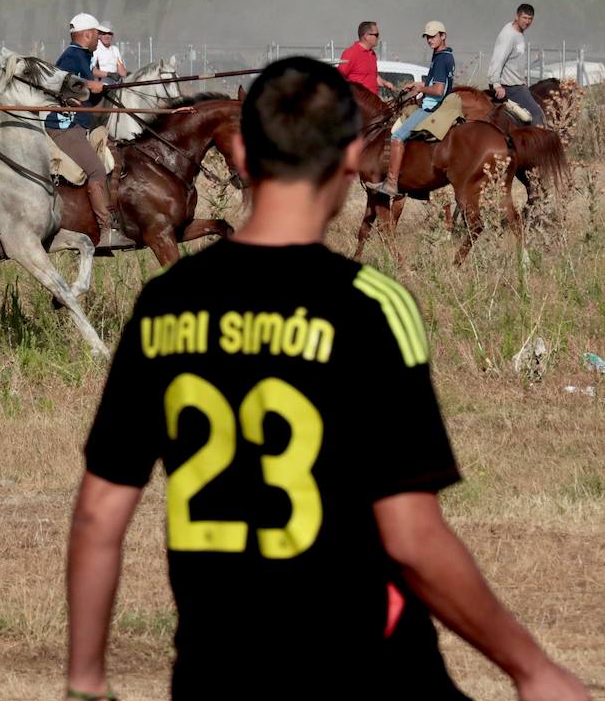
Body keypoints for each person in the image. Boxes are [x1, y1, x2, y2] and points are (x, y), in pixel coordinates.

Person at [64, 56, 588, 701]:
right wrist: (530, 668)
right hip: (362, 663)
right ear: (349, 159)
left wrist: (86, 680)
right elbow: (412, 533)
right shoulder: (369, 307)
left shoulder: (165, 304)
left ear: (243, 154)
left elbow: (97, 517)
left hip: (213, 672)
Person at [47, 13, 133, 249]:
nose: (99, 38)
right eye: (97, 33)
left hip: (78, 125)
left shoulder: (83, 56)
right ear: (87, 34)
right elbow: (60, 83)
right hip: (65, 127)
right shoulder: (72, 56)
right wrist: (90, 85)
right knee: (96, 169)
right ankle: (107, 232)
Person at [375, 21, 454, 199]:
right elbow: (434, 84)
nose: (430, 40)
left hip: (431, 108)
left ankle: (391, 183)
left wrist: (421, 89)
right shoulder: (443, 54)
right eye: (428, 37)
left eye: (433, 36)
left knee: (396, 137)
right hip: (433, 104)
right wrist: (418, 85)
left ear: (443, 36)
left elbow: (439, 90)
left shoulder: (441, 58)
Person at [487, 3, 544, 126]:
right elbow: (498, 59)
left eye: (530, 19)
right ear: (516, 17)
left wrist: (520, 78)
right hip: (508, 87)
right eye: (524, 18)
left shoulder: (519, 33)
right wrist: (496, 84)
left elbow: (515, 59)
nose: (527, 22)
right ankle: (535, 144)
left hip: (516, 83)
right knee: (535, 113)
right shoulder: (508, 35)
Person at [336, 20, 396, 96]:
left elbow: (374, 76)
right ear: (366, 36)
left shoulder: (372, 54)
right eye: (376, 35)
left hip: (373, 103)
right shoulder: (351, 53)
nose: (378, 38)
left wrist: (385, 83)